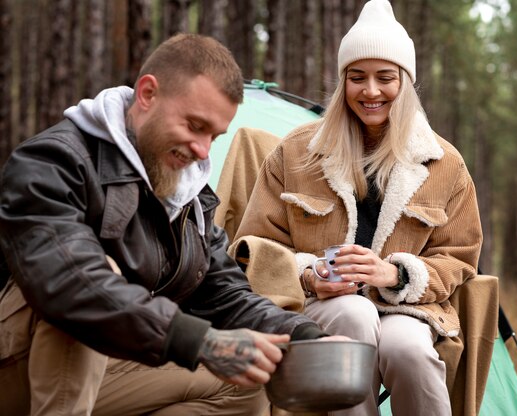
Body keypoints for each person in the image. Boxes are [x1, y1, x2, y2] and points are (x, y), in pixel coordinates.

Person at [0, 33, 338, 416]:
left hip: (115, 364)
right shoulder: (54, 162)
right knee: (96, 288)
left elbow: (224, 293)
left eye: (214, 135)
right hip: (19, 366)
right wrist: (199, 341)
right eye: (195, 126)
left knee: (247, 384)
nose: (203, 150)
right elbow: (70, 283)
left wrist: (305, 335)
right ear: (147, 94)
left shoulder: (186, 194)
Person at [233, 1, 483, 415]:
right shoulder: (297, 153)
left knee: (408, 351)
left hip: (408, 308)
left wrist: (396, 274)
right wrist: (310, 275)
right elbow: (257, 244)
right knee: (352, 315)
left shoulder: (444, 164)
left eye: (385, 78)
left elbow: (459, 258)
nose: (370, 91)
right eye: (357, 78)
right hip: (322, 304)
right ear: (342, 82)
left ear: (405, 83)